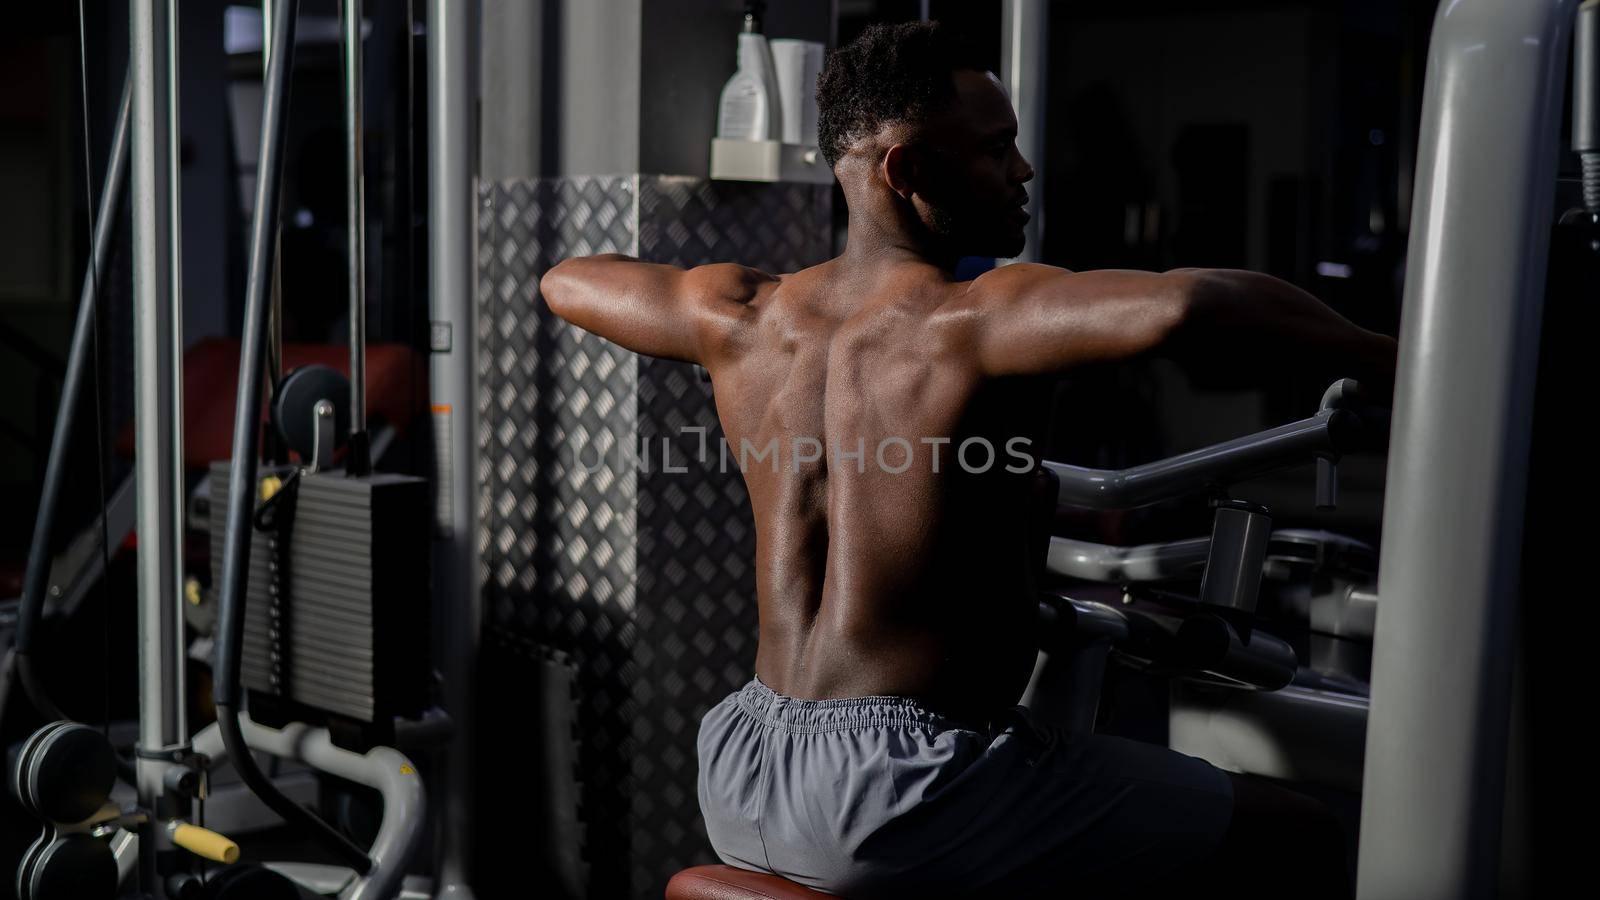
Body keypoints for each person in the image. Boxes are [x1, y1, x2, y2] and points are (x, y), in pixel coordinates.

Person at [542, 20, 1392, 899]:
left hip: (742, 761)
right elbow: (1193, 306)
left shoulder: (744, 317)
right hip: (902, 791)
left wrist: (785, 297)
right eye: (997, 149)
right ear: (907, 171)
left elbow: (568, 278)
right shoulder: (977, 319)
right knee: (1296, 837)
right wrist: (1396, 355)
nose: (1022, 171)